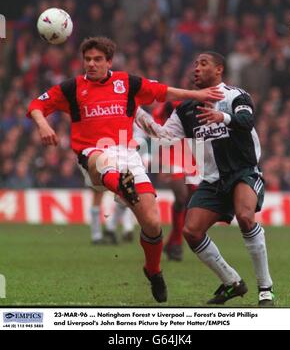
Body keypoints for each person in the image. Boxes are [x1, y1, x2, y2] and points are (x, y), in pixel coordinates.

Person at [27, 36, 223, 303]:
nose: (92, 64)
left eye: (97, 59)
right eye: (87, 59)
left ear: (109, 61)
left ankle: (153, 271)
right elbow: (36, 105)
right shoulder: (73, 88)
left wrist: (197, 94)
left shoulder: (127, 83)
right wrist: (42, 124)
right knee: (101, 161)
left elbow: (163, 91)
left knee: (152, 223)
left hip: (128, 155)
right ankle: (122, 187)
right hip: (92, 154)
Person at [140, 51, 274, 306]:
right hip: (213, 179)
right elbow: (162, 136)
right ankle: (232, 282)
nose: (197, 68)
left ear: (219, 70)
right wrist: (135, 112)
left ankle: (265, 287)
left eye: (203, 64)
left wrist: (222, 117)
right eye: (195, 64)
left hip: (244, 170)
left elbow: (246, 120)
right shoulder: (186, 109)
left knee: (246, 217)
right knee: (191, 231)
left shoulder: (236, 95)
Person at [152, 101, 198, 261]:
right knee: (181, 197)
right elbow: (158, 134)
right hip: (172, 155)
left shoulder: (202, 101)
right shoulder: (165, 107)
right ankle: (177, 243)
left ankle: (172, 242)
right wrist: (161, 164)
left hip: (193, 154)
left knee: (190, 201)